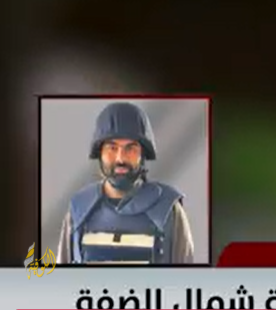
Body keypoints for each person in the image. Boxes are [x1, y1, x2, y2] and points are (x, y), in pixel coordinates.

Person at [57, 102, 195, 264]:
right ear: (100, 153)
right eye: (112, 148)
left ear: (143, 154)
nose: (120, 158)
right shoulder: (79, 211)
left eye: (130, 148)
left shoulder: (169, 211)